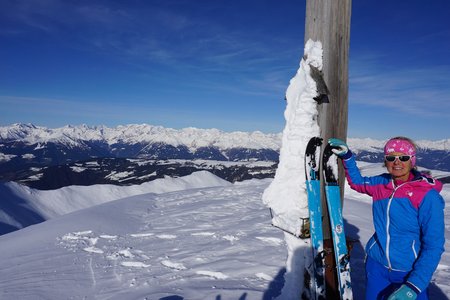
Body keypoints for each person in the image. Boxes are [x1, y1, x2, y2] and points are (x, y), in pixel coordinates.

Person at [328, 137, 445, 300]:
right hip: (377, 266)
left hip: (408, 271)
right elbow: (357, 183)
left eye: (403, 157)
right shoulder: (381, 184)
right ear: (386, 161)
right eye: (391, 157)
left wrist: (414, 286)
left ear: (412, 160)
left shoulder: (427, 196)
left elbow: (434, 245)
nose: (397, 162)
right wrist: (347, 157)